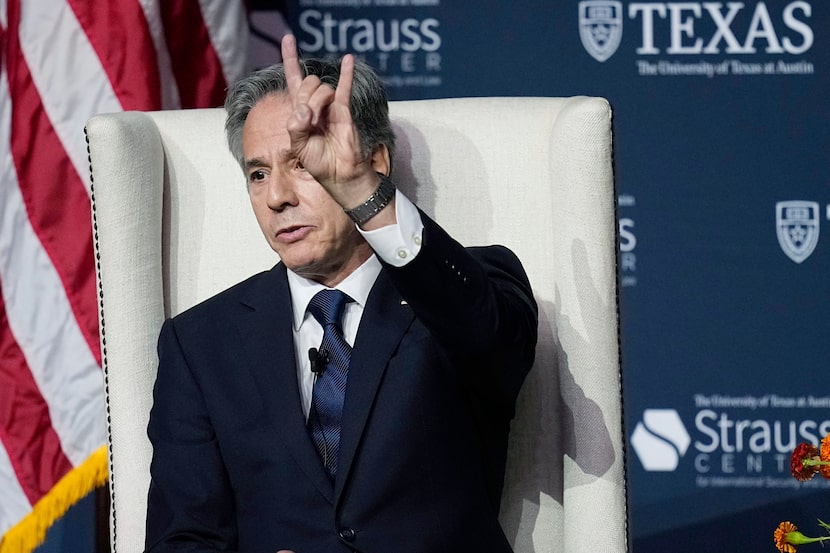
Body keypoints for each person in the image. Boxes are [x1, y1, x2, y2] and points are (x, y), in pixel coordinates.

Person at [144, 35, 538, 553]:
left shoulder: (460, 291)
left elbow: (487, 333)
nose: (278, 197)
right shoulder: (199, 344)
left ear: (374, 159)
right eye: (258, 174)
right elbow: (182, 538)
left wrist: (360, 192)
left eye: (303, 164)